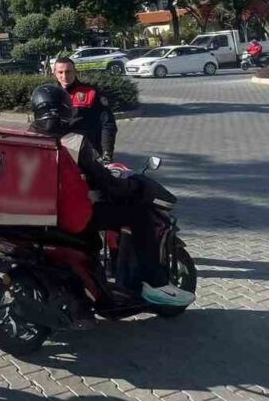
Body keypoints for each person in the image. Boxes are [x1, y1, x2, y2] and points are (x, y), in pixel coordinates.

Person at [29, 84, 194, 307]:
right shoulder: (74, 142)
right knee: (138, 215)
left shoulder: (27, 138)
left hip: (37, 215)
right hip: (69, 215)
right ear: (66, 109)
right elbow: (107, 184)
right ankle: (155, 282)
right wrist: (134, 186)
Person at [52, 56, 117, 161]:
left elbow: (108, 124)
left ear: (75, 72)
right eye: (60, 72)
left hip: (88, 153)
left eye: (68, 72)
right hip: (59, 152)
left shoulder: (91, 93)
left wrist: (107, 153)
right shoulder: (50, 95)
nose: (64, 76)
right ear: (55, 73)